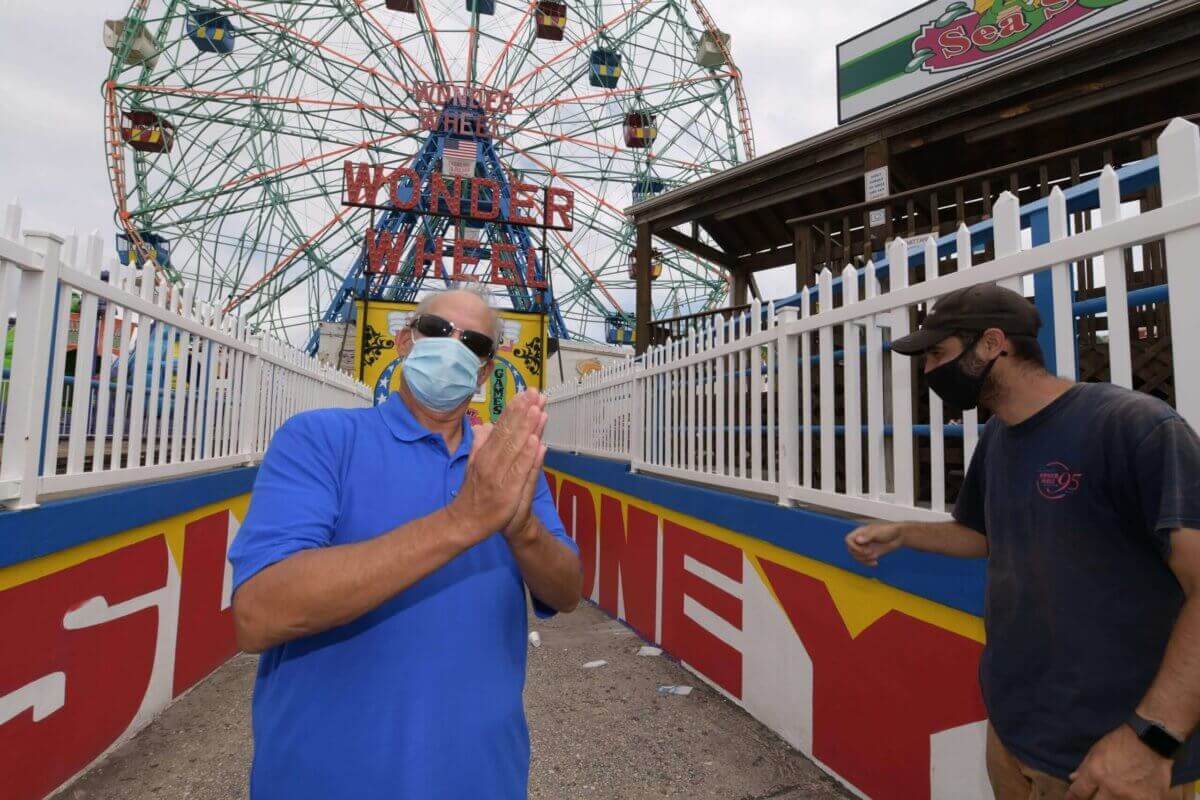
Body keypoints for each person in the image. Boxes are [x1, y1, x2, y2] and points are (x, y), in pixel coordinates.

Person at [844, 284, 1200, 800]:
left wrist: (1152, 739)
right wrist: (901, 533)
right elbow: (981, 535)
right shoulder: (998, 437)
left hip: (1110, 761)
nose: (928, 373)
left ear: (992, 344)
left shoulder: (1134, 427)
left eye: (938, 355)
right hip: (1015, 737)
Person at [229, 288, 582, 799]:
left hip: (484, 781)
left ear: (485, 372)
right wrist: (465, 518)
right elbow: (259, 612)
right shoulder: (320, 440)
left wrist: (521, 528)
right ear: (403, 341)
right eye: (437, 331)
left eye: (475, 343)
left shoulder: (506, 469)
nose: (453, 348)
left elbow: (568, 591)